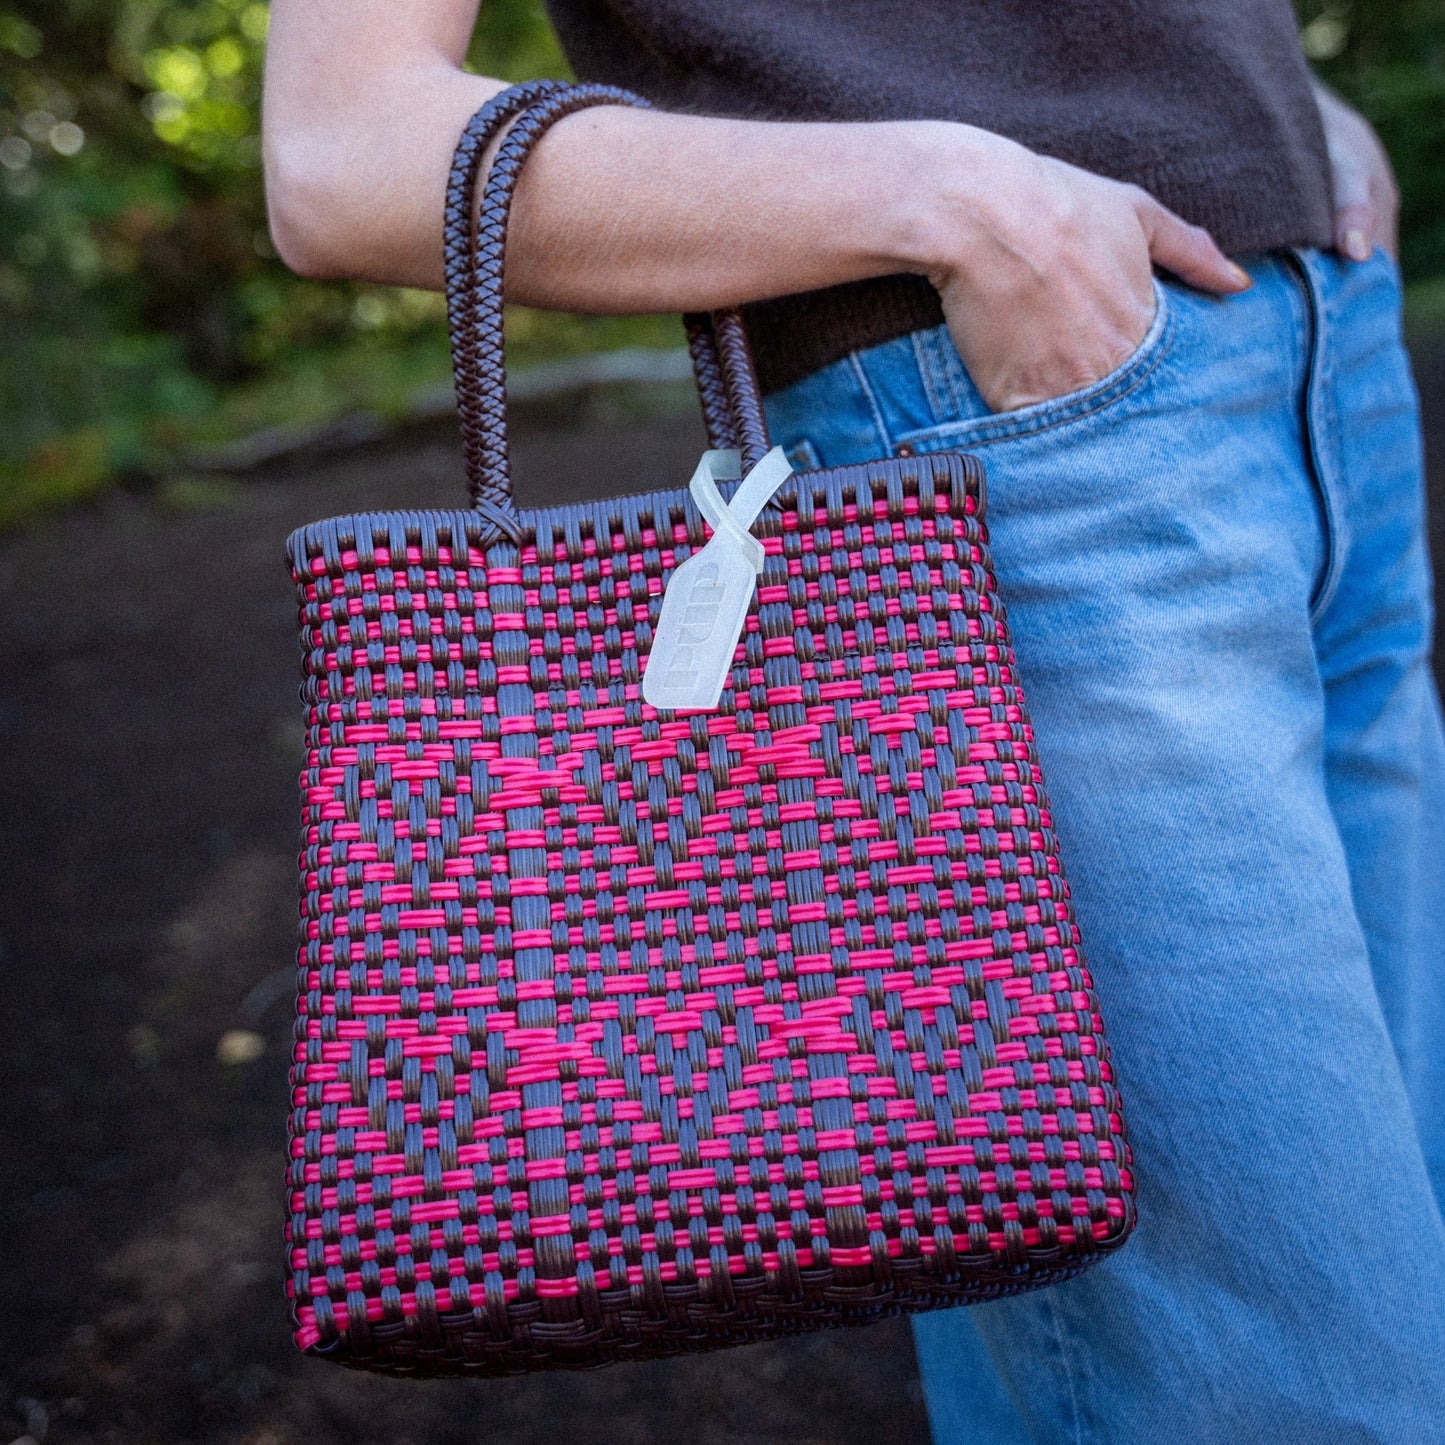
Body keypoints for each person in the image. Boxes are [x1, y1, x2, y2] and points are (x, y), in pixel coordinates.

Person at [262, 3, 1445, 1439]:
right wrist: (953, 195)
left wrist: (1278, 103)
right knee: (1296, 1393)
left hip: (1320, 356)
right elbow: (341, 156)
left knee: (1397, 1283)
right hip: (1026, 426)